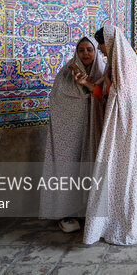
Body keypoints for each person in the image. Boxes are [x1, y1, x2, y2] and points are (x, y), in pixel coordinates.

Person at [83, 25, 137, 245]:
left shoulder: (125, 63)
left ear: (110, 42)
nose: (99, 49)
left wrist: (108, 86)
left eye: (101, 44)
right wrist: (89, 84)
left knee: (124, 172)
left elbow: (123, 96)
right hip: (125, 126)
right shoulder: (119, 61)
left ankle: (126, 221)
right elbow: (109, 92)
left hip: (127, 128)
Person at [39, 37, 106, 233]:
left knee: (93, 166)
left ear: (96, 51)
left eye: (89, 49)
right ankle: (66, 212)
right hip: (70, 133)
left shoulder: (103, 73)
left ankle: (90, 212)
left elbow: (109, 97)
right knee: (68, 167)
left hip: (95, 130)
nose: (85, 53)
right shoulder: (66, 74)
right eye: (81, 50)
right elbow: (58, 100)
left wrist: (89, 88)